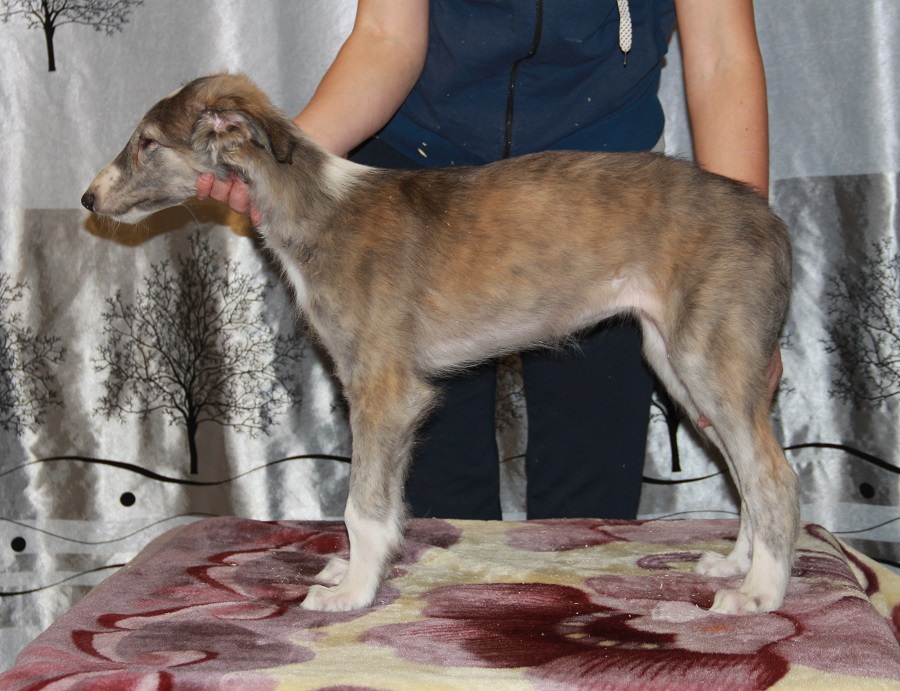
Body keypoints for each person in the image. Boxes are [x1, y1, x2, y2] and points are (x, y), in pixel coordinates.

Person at [197, 0, 781, 521]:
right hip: (423, 207)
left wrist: (734, 277)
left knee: (587, 521)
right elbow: (386, 37)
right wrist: (282, 166)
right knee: (438, 530)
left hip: (610, 205)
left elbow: (722, 57)